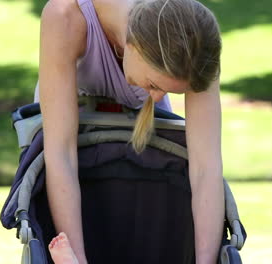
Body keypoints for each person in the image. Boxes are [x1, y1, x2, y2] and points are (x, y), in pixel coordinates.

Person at [37, 0, 224, 263]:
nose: (158, 98)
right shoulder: (65, 16)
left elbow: (206, 168)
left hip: (140, 127)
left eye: (169, 91)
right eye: (154, 85)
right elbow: (61, 154)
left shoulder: (193, 38)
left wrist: (205, 261)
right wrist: (75, 258)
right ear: (134, 47)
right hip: (68, 120)